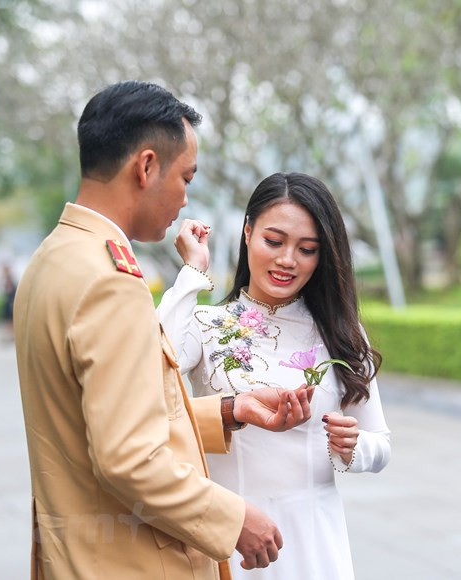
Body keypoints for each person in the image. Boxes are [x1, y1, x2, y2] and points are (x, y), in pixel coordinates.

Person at [13, 81, 315, 580]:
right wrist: (234, 518)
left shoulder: (52, 260)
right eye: (185, 177)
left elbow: (101, 420)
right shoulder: (110, 282)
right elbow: (128, 459)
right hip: (128, 562)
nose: (184, 198)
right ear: (147, 166)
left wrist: (228, 410)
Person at [158, 172, 392, 579]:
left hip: (314, 538)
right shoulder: (206, 324)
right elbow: (151, 373)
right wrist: (192, 272)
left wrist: (351, 447)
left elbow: (380, 444)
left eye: (307, 249)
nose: (288, 260)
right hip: (231, 530)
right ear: (247, 232)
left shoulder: (339, 330)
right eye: (274, 241)